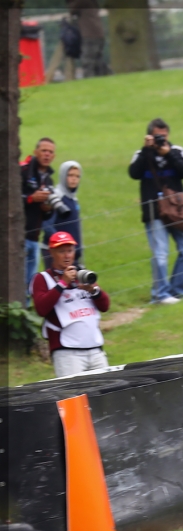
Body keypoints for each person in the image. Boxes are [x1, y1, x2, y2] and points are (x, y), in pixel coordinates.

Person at [128, 117, 183, 304]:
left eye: (164, 136)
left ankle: (177, 290)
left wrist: (168, 153)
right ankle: (160, 294)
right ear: (150, 135)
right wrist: (146, 150)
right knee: (160, 253)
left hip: (178, 209)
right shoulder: (141, 153)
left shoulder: (177, 151)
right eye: (157, 136)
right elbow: (133, 173)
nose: (161, 140)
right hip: (154, 210)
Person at [32, 231, 110, 378]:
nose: (67, 256)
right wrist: (62, 283)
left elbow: (105, 306)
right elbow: (41, 308)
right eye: (62, 251)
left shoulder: (82, 275)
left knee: (106, 395)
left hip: (95, 349)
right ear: (52, 253)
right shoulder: (43, 278)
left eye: (70, 251)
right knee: (74, 398)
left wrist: (93, 290)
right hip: (67, 352)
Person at [21, 137, 56, 294]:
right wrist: (31, 198)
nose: (47, 154)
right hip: (17, 237)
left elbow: (47, 217)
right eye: (44, 151)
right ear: (35, 152)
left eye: (50, 152)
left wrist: (47, 208)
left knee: (30, 284)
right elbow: (7, 199)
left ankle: (24, 315)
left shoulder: (49, 180)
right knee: (15, 282)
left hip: (35, 239)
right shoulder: (22, 171)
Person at [46, 161, 84, 269]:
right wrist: (61, 245)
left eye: (77, 176)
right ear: (63, 175)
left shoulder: (74, 199)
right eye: (70, 175)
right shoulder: (56, 196)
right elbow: (48, 225)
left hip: (70, 252)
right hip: (58, 252)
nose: (74, 179)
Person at [68, 0, 110, 77]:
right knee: (98, 62)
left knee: (88, 62)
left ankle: (90, 81)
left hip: (90, 34)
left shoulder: (82, 2)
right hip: (98, 33)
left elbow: (72, 9)